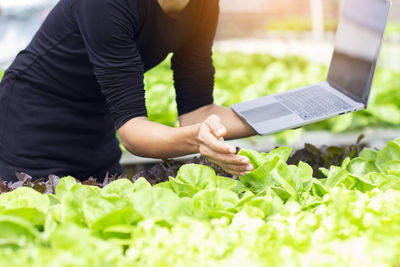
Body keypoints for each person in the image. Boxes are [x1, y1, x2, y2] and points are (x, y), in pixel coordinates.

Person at [0, 0, 256, 182]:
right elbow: (133, 133)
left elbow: (198, 113)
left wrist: (285, 113)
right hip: (31, 129)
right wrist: (197, 140)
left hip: (97, 135)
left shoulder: (203, 5)